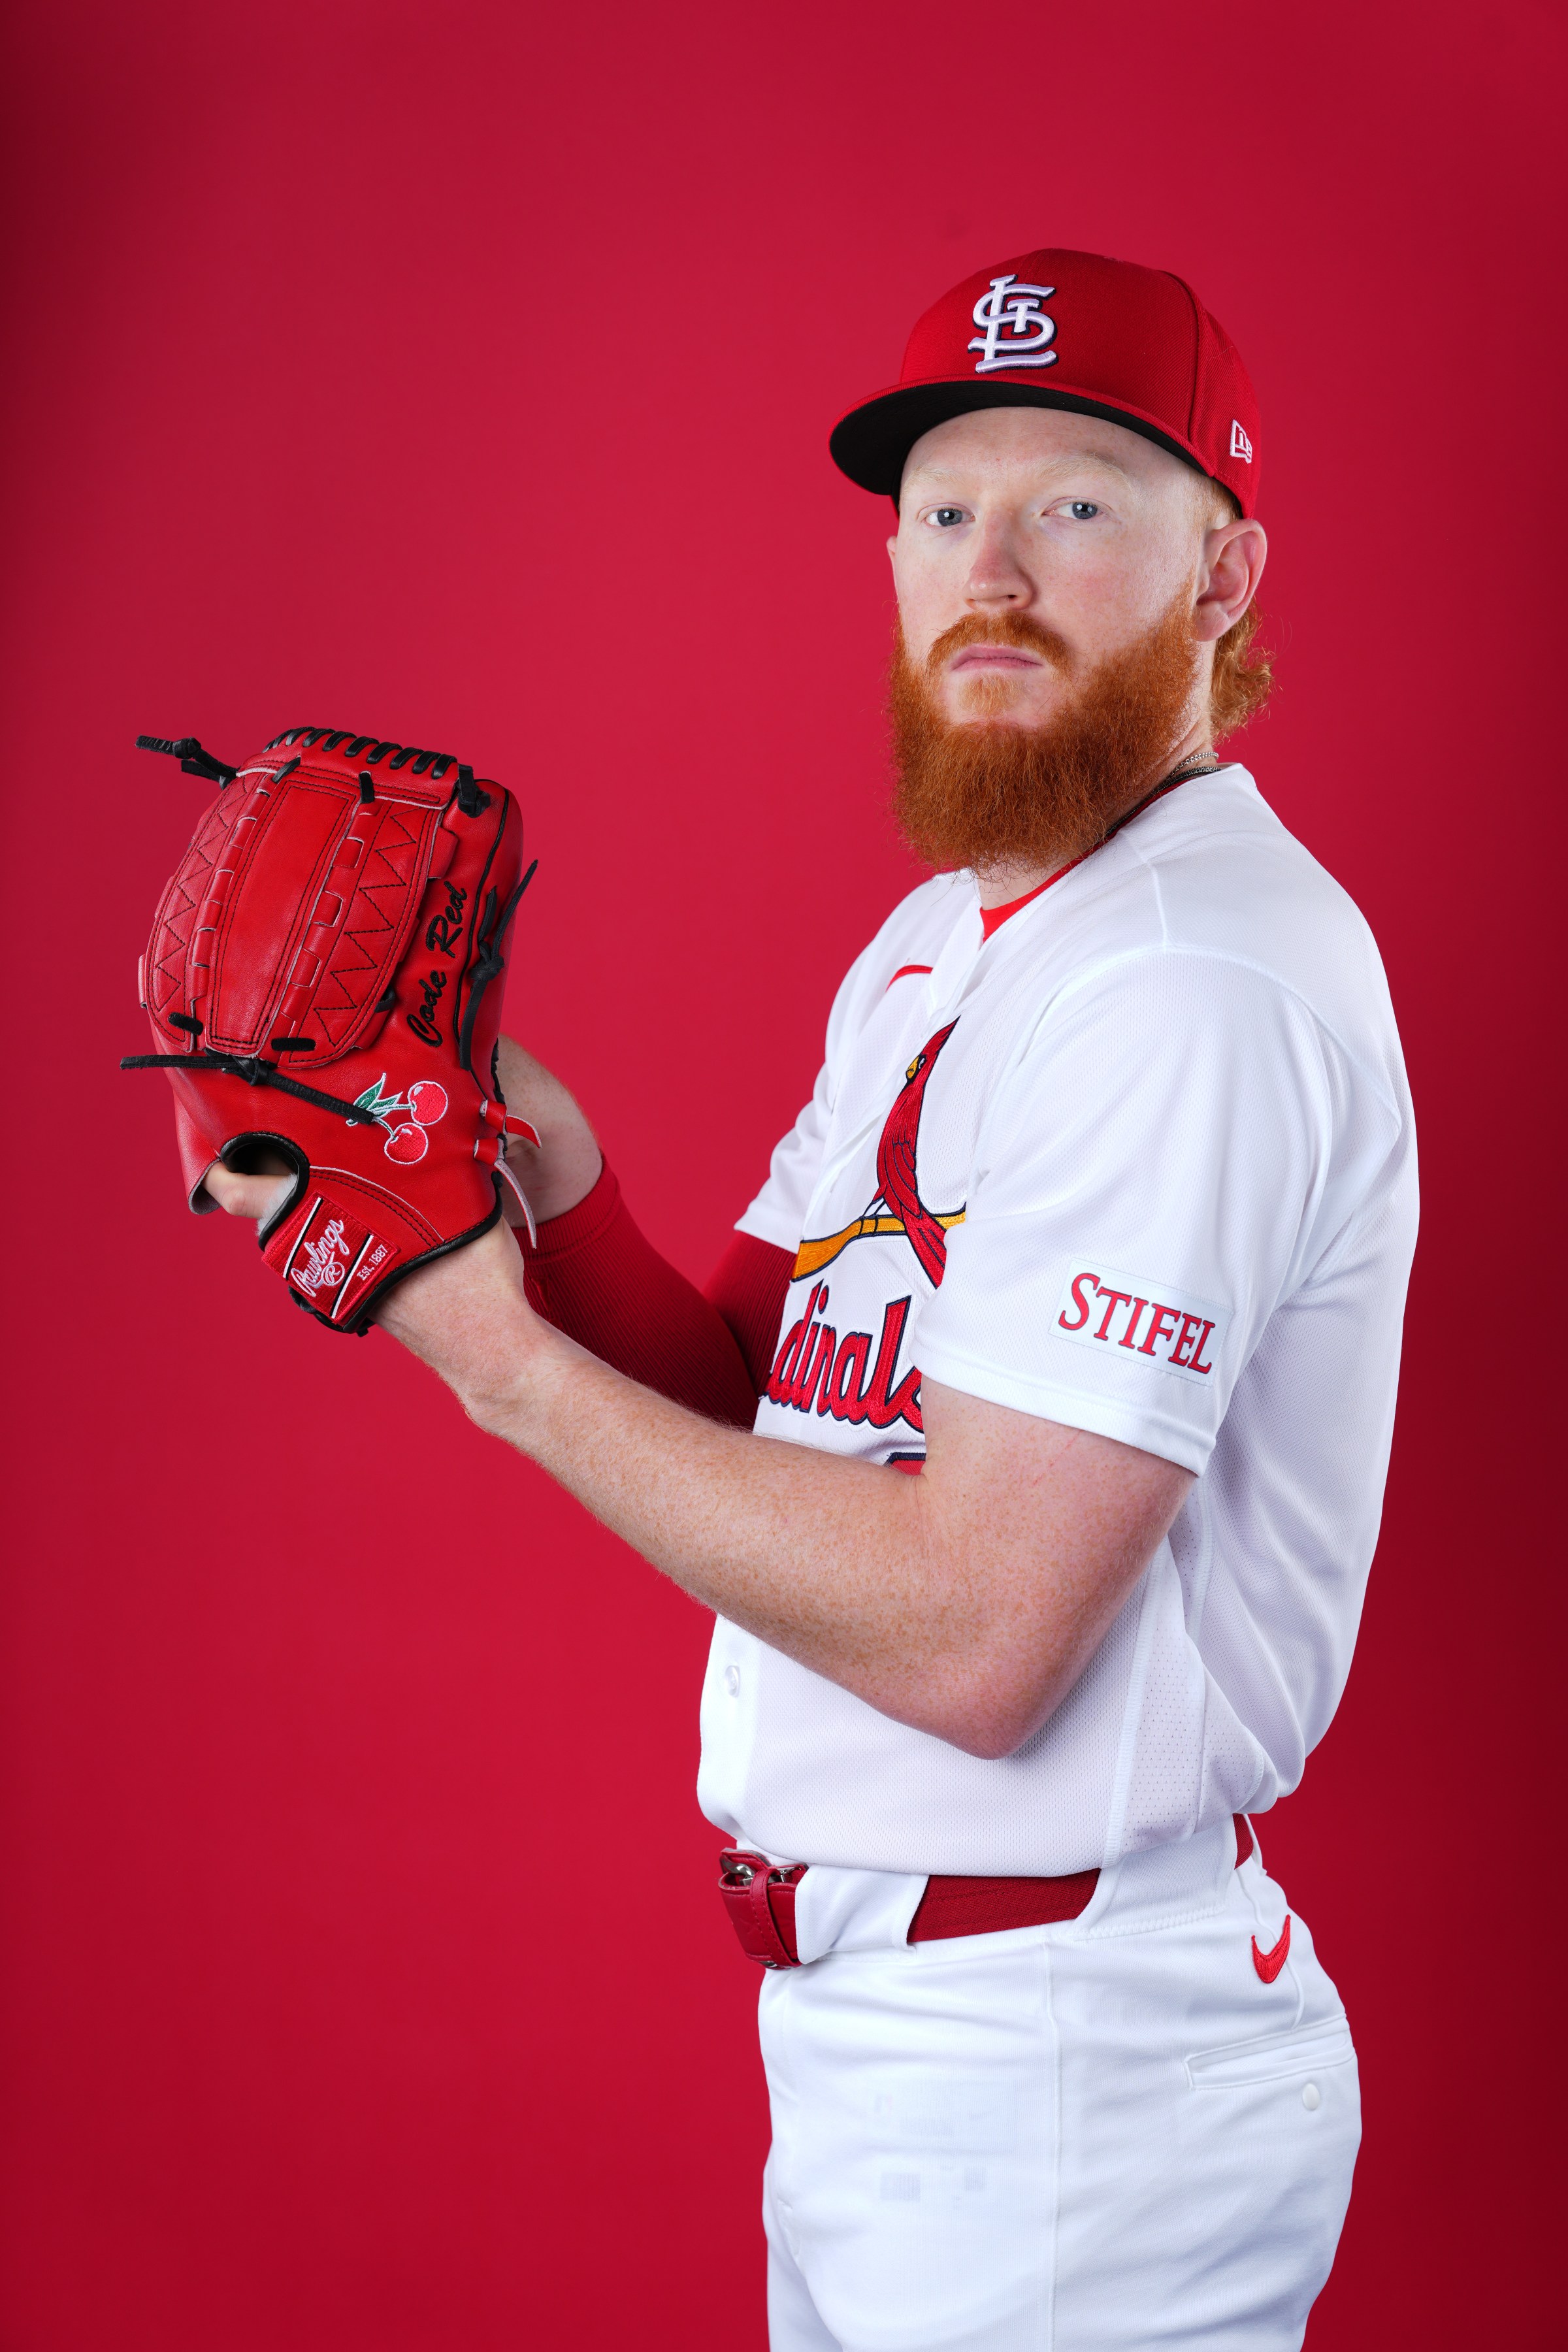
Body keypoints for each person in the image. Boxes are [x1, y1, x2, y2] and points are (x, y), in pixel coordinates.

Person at [208, 248, 1418, 2350]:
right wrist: (530, 1158)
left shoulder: (1187, 983)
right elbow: (762, 1388)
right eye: (947, 512)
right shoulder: (953, 943)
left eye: (1076, 507)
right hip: (918, 2056)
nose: (995, 571)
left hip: (1068, 2081)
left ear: (1223, 574)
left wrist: (487, 1356)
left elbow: (976, 1637)